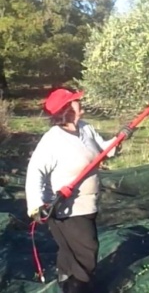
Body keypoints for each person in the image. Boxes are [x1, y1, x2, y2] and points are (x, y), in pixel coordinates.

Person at [25, 88, 132, 293]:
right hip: (65, 208)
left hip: (87, 203)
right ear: (66, 108)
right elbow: (35, 171)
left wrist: (119, 139)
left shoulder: (85, 128)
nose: (79, 101)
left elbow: (102, 151)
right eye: (74, 100)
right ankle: (78, 288)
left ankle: (66, 282)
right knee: (86, 251)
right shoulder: (53, 140)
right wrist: (37, 206)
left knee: (70, 250)